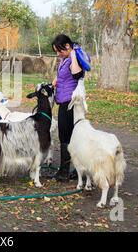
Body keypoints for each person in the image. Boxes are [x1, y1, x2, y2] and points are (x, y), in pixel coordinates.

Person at [51, 34, 85, 182]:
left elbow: (77, 74)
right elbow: (65, 77)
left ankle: (65, 172)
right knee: (68, 137)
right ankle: (75, 170)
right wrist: (57, 80)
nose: (58, 54)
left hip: (70, 104)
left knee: (67, 137)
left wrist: (73, 55)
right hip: (63, 102)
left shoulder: (74, 57)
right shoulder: (65, 59)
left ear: (67, 46)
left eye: (59, 51)